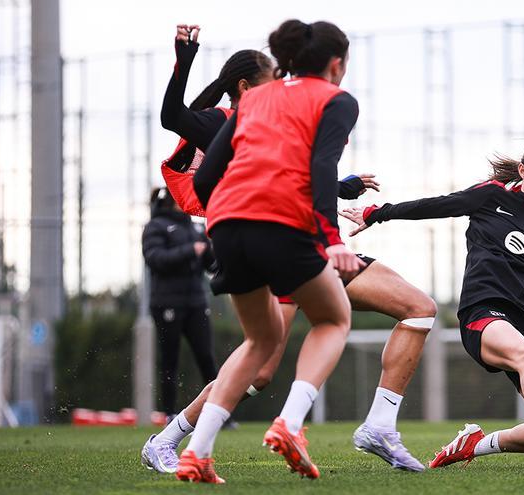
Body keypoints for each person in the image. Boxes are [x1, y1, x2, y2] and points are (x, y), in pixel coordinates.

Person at [140, 23, 434, 479]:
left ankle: (378, 426)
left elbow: (297, 171)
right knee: (265, 363)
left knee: (418, 308)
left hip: (284, 235)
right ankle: (176, 438)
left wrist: (342, 186)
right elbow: (180, 123)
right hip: (295, 241)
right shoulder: (259, 109)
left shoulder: (271, 103)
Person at [341, 135, 524, 468]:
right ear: (523, 169)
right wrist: (377, 214)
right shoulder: (491, 196)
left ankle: (475, 444)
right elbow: (439, 204)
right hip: (483, 313)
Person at [170, 18, 364, 483]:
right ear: (336, 65)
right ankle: (291, 425)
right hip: (280, 222)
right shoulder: (338, 100)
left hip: (227, 225)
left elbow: (203, 176)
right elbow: (321, 166)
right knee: (334, 319)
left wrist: (230, 213)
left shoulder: (255, 98)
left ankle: (196, 451)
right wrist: (332, 239)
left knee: (260, 340)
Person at [141, 187, 217, 423]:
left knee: (206, 356)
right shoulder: (155, 227)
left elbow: (211, 265)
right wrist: (188, 251)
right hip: (167, 303)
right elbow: (155, 260)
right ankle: (170, 413)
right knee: (169, 360)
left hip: (195, 301)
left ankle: (218, 412)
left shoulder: (194, 226)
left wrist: (215, 249)